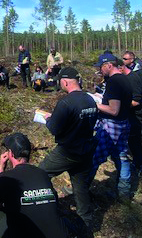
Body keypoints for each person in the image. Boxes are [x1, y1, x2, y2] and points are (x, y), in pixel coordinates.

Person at [39, 67, 98, 228]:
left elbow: (54, 129)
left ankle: (44, 208)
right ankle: (86, 221)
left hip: (68, 151)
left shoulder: (65, 103)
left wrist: (49, 118)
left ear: (65, 82)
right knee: (80, 187)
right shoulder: (90, 99)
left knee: (40, 174)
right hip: (86, 150)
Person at [90, 54, 133, 200]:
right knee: (121, 155)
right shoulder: (124, 78)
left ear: (109, 65)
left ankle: (81, 188)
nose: (100, 70)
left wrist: (94, 104)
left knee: (93, 158)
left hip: (111, 127)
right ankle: (124, 191)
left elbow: (113, 110)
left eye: (101, 67)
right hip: (123, 123)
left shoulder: (114, 82)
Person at [118, 61, 142, 175]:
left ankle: (138, 165)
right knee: (131, 140)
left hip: (135, 115)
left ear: (121, 68)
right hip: (129, 114)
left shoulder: (133, 78)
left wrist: (119, 106)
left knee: (135, 141)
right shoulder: (126, 78)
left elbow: (136, 101)